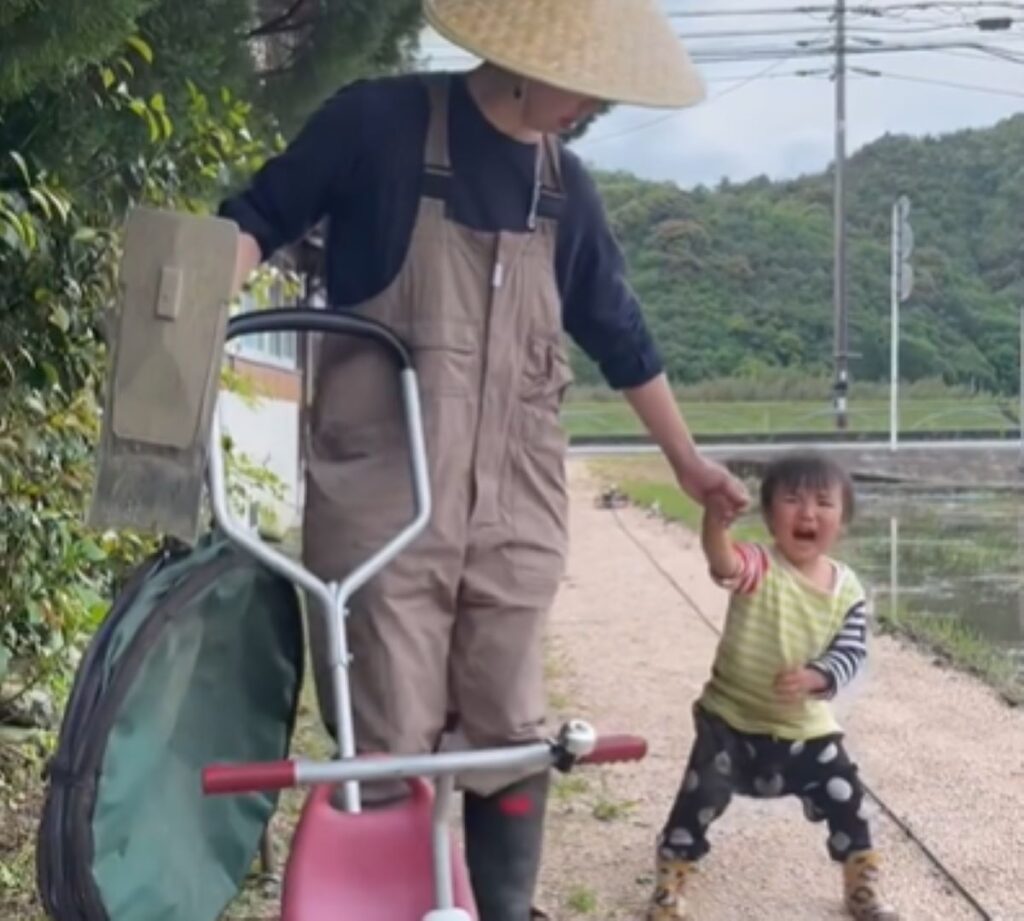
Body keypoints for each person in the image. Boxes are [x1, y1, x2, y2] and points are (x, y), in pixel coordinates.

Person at [219, 1, 748, 917]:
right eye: (581, 83)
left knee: (510, 734)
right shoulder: (374, 125)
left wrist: (689, 463)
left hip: (515, 512)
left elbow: (622, 337)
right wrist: (169, 341)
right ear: (523, 54)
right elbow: (254, 220)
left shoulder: (565, 189)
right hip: (383, 507)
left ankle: (501, 908)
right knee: (386, 744)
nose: (587, 108)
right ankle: (383, 900)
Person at [647, 452, 899, 921]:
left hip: (805, 727)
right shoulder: (759, 565)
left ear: (842, 519)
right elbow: (723, 563)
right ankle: (670, 880)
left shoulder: (848, 589)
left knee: (848, 798)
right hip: (730, 719)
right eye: (792, 501)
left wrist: (819, 676)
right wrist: (715, 524)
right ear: (769, 515)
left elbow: (851, 652)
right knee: (699, 797)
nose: (808, 514)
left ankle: (861, 884)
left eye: (824, 503)